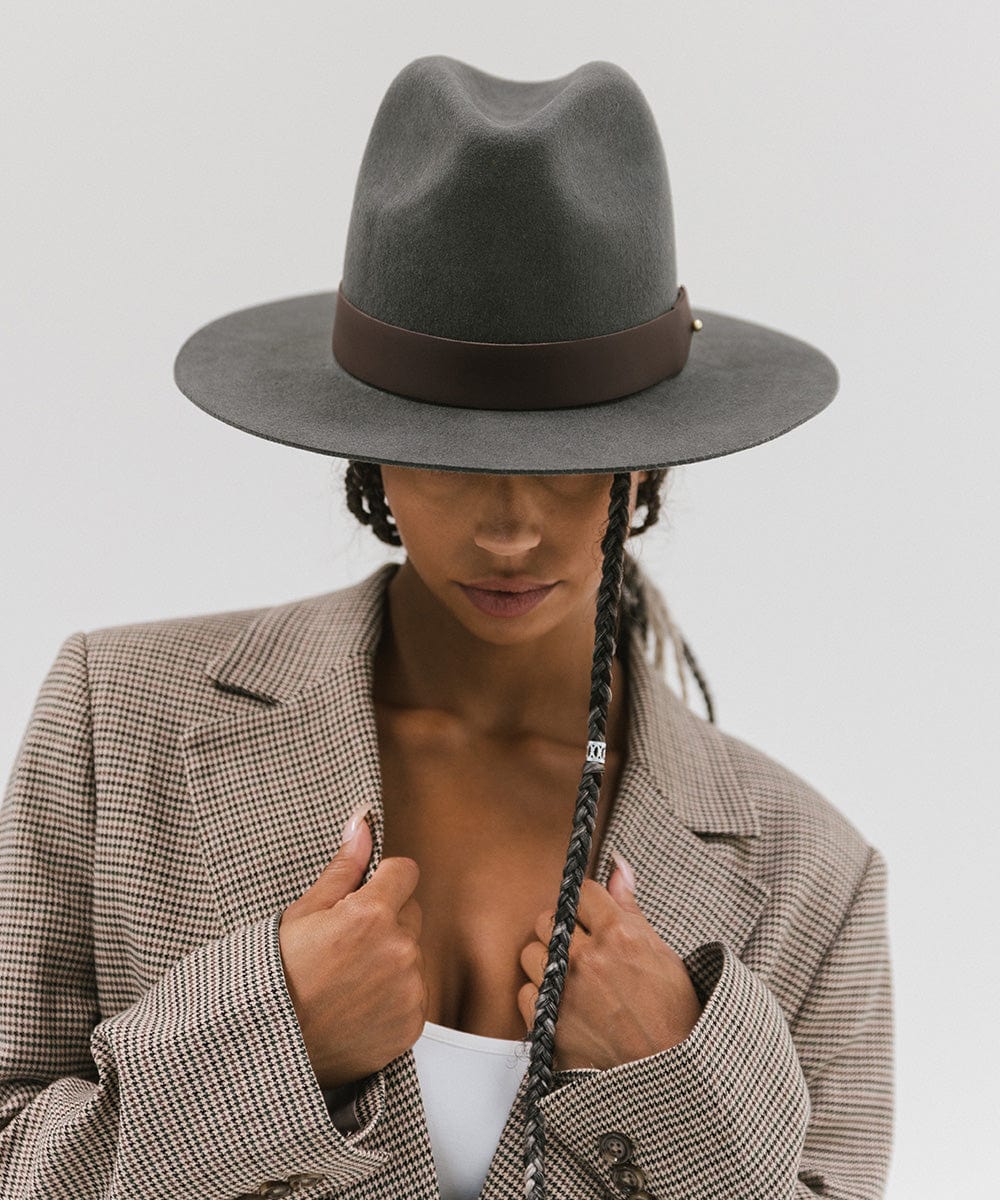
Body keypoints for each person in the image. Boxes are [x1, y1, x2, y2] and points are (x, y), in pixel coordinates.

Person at [0, 54, 893, 1200]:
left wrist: (685, 1084)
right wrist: (263, 1044)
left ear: (652, 456)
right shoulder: (112, 727)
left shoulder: (814, 875)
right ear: (364, 442)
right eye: (454, 453)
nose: (512, 526)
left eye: (568, 462)